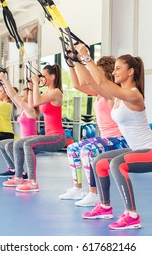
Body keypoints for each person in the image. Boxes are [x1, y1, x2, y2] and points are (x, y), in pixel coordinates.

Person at [75, 44, 152, 230]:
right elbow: (90, 83)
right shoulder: (116, 96)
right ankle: (104, 206)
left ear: (130, 72)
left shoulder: (133, 96)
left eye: (118, 68)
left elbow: (101, 82)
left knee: (117, 164)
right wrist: (75, 61)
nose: (114, 72)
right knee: (99, 162)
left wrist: (87, 57)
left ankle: (132, 215)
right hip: (137, 149)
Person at [58, 56, 128, 207]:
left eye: (99, 71)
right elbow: (77, 84)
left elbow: (89, 81)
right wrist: (71, 64)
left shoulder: (112, 93)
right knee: (72, 148)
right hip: (107, 139)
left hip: (120, 140)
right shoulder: (99, 93)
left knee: (87, 150)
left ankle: (94, 193)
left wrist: (79, 60)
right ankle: (77, 189)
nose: (96, 75)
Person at [2, 64, 66, 192]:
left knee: (28, 145)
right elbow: (32, 104)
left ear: (52, 77)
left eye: (43, 76)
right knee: (18, 143)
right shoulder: (47, 92)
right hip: (48, 135)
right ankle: (18, 177)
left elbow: (36, 102)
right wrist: (32, 88)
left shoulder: (56, 92)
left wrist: (36, 83)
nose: (41, 79)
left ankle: (32, 181)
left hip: (58, 137)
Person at [0, 72, 38, 178]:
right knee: (2, 144)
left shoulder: (30, 110)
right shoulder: (22, 109)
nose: (20, 97)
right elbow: (11, 95)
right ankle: (13, 168)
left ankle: (20, 172)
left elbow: (14, 95)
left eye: (23, 96)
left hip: (29, 142)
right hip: (21, 141)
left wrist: (4, 79)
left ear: (29, 98)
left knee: (8, 145)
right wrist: (3, 82)